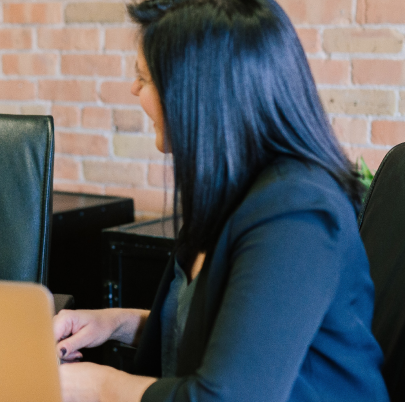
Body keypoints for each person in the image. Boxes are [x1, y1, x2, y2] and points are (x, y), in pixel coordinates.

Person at [52, 0, 389, 401]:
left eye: (145, 77)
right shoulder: (229, 190)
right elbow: (223, 331)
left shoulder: (297, 214)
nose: (134, 89)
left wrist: (97, 385)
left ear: (198, 92)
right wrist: (116, 322)